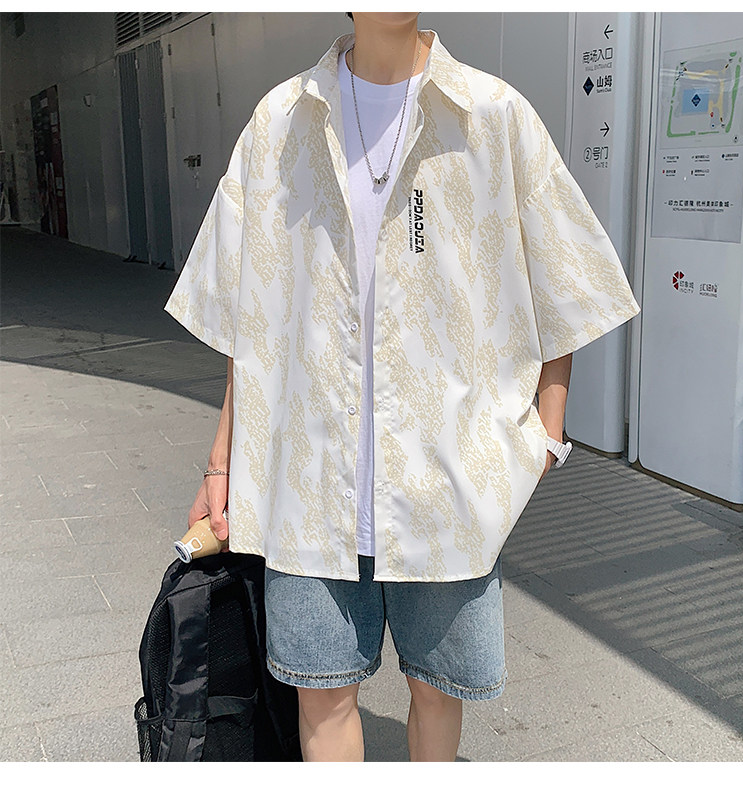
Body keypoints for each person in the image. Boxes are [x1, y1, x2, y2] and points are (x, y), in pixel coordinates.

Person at [164, 12, 641, 762]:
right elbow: (249, 316)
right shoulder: (280, 122)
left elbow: (567, 274)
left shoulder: (491, 114)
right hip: (308, 483)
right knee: (320, 695)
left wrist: (546, 432)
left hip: (448, 483)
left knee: (438, 691)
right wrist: (221, 463)